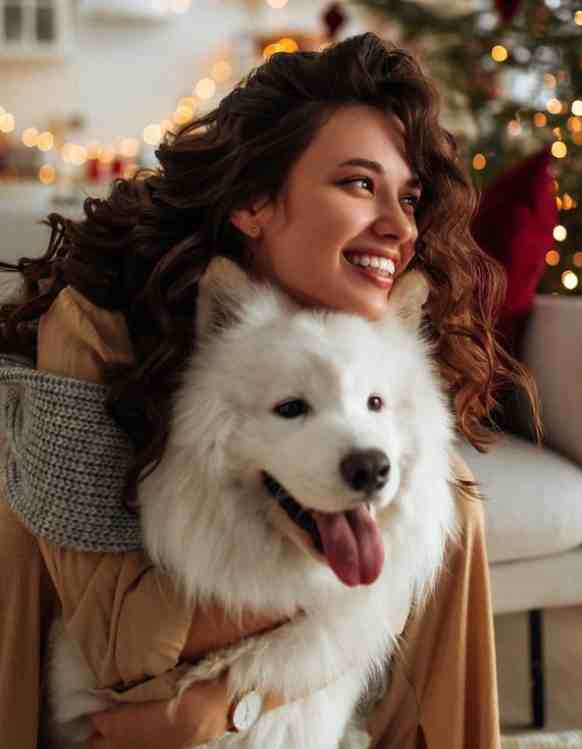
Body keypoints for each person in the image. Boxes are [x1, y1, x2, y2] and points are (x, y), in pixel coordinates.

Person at [0, 32, 541, 748]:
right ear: (255, 201)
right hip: (77, 683)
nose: (400, 227)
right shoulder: (96, 322)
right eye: (358, 183)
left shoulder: (357, 322)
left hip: (223, 677)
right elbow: (120, 642)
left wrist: (223, 705)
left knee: (452, 496)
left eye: (407, 197)